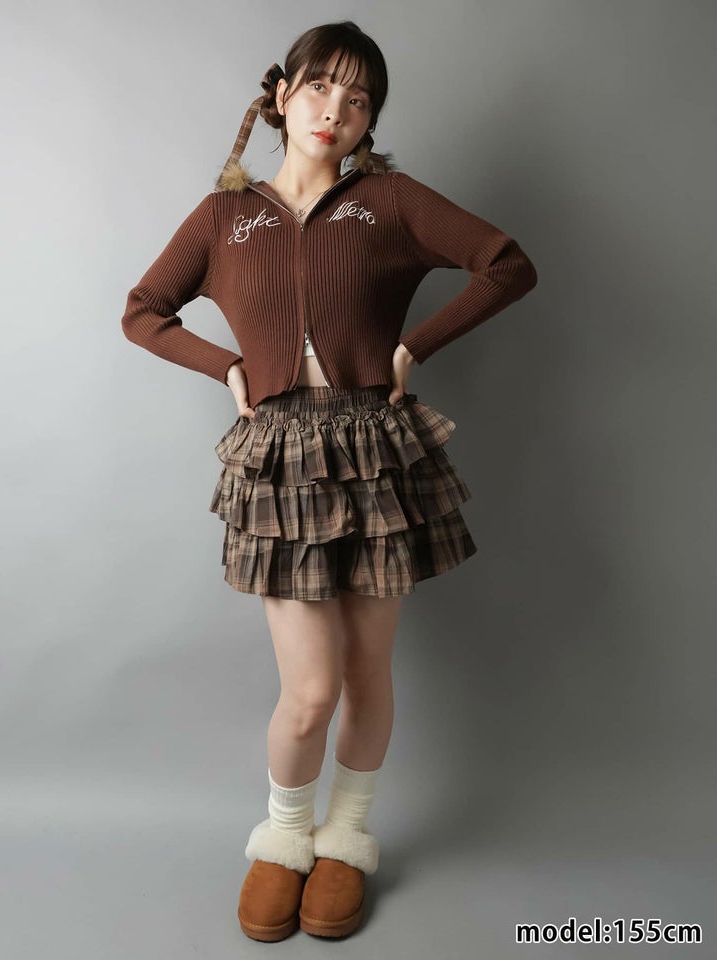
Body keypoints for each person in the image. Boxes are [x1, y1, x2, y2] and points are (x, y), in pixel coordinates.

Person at [121, 19, 538, 942]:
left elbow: (507, 265)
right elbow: (144, 310)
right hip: (280, 460)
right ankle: (284, 837)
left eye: (358, 99)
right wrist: (227, 368)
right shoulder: (226, 216)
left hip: (375, 450)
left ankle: (346, 838)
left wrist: (413, 347)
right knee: (309, 691)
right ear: (282, 95)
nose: (334, 110)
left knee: (365, 671)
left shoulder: (388, 201)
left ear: (369, 120)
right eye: (319, 87)